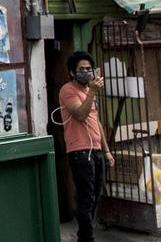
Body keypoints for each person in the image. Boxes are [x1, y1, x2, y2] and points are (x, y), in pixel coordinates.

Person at [59, 52, 115, 242]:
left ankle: (84, 236)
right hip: (80, 151)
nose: (86, 72)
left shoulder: (88, 92)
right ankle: (87, 238)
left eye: (89, 69)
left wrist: (106, 150)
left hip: (96, 150)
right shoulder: (68, 90)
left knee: (95, 196)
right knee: (86, 198)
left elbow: (95, 121)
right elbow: (80, 115)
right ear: (73, 72)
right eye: (81, 69)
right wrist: (91, 91)